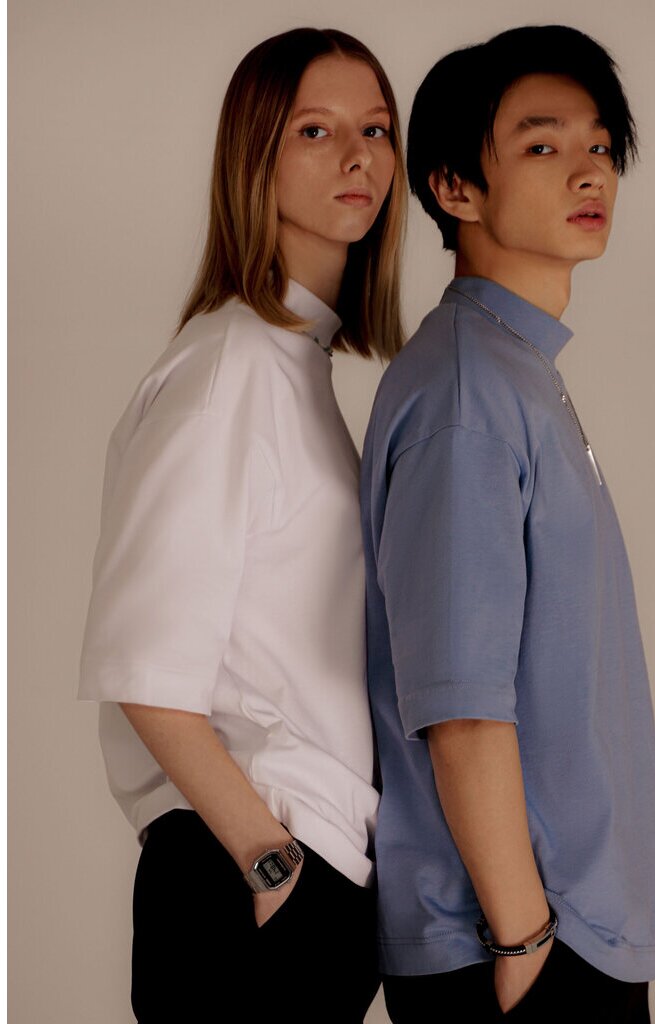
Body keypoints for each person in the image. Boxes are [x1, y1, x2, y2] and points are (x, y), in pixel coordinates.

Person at [78, 27, 405, 1023]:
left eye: (376, 130)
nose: (357, 156)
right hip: (250, 874)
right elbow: (145, 668)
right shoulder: (229, 367)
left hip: (308, 867)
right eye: (315, 129)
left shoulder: (292, 364)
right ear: (252, 155)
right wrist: (271, 864)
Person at [361, 25, 655, 1023]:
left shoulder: (513, 372)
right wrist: (525, 939)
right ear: (456, 187)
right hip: (518, 949)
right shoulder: (468, 394)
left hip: (562, 933)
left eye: (600, 145)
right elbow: (461, 705)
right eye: (542, 145)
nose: (589, 170)